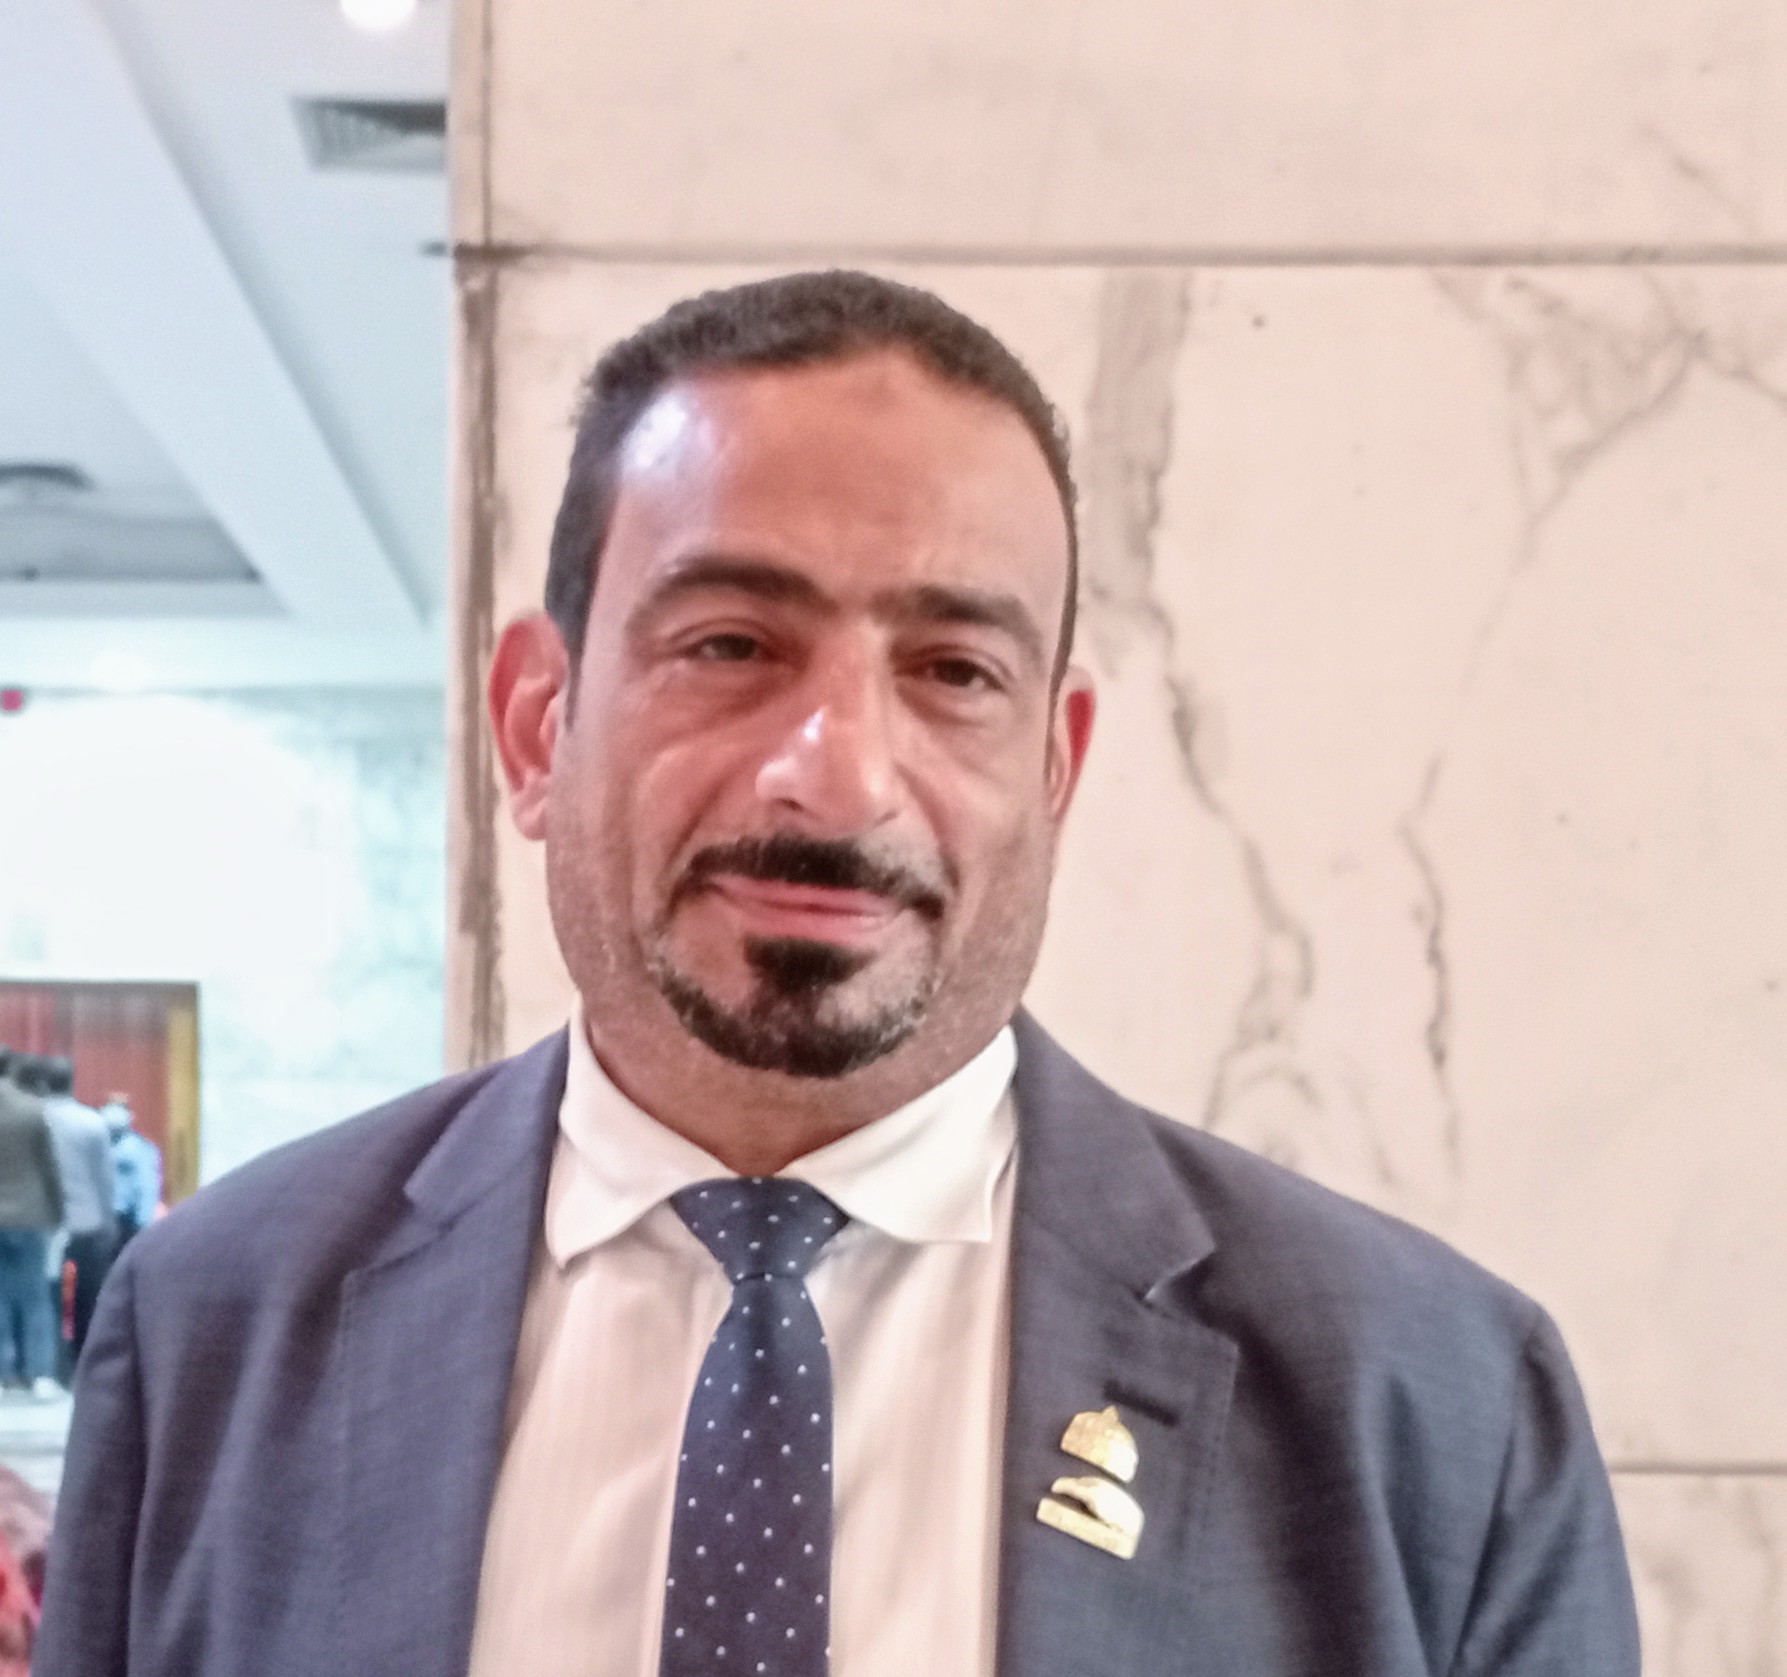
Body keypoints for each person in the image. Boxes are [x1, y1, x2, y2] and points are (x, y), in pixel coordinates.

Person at [37, 272, 1640, 1676]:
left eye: (952, 671)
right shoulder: (213, 1330)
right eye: (730, 644)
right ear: (536, 724)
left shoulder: (1426, 1405)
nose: (838, 774)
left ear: (1054, 765)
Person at [24, 1057, 117, 1369]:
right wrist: (108, 1218)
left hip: (45, 1221)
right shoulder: (91, 1122)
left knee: (46, 1297)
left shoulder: (34, 1119)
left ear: (42, 1082)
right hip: (88, 1220)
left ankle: (50, 1364)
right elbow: (104, 1176)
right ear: (72, 1082)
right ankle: (84, 1361)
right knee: (88, 1297)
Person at [0, 1053, 62, 1400]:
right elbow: (48, 1167)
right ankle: (39, 1374)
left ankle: (3, 1374)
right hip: (30, 1214)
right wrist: (58, 1211)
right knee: (35, 1297)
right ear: (11, 1068)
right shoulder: (32, 1110)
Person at [100, 1095, 163, 1246]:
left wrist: (144, 1223)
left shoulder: (139, 1148)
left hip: (129, 1221)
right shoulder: (101, 1144)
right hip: (105, 1221)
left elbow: (147, 1185)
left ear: (130, 1115)